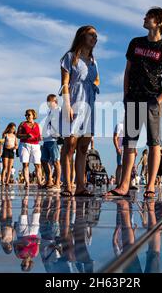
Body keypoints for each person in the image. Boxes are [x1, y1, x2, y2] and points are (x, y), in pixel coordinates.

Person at [106, 7, 162, 199]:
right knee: (129, 143)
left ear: (160, 22)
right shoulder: (135, 43)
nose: (145, 18)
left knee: (154, 143)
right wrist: (125, 95)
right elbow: (127, 71)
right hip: (133, 98)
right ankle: (123, 185)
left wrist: (158, 99)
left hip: (153, 99)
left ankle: (151, 186)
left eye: (150, 16)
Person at [59, 25, 100, 197]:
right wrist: (67, 104)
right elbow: (65, 83)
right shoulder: (70, 57)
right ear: (82, 36)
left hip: (89, 104)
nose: (95, 38)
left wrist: (93, 87)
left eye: (96, 36)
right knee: (70, 145)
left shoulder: (93, 61)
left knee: (83, 146)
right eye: (92, 35)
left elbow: (97, 79)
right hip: (74, 102)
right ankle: (67, 185)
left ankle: (81, 186)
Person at [17, 109, 43, 188]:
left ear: (33, 115)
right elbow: (17, 135)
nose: (27, 116)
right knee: (25, 164)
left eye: (29, 114)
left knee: (38, 164)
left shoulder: (38, 125)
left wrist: (40, 138)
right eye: (26, 115)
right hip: (25, 145)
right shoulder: (22, 124)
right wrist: (26, 136)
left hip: (35, 145)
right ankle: (27, 183)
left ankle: (39, 182)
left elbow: (40, 136)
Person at [41, 94, 62, 189]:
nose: (48, 103)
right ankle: (49, 180)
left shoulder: (59, 110)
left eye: (50, 101)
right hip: (46, 139)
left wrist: (59, 133)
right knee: (44, 161)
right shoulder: (50, 112)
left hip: (54, 140)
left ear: (55, 101)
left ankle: (57, 183)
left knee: (56, 161)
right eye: (47, 102)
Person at [1, 123, 18, 187]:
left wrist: (15, 147)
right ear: (9, 128)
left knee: (10, 168)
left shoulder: (15, 136)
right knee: (5, 166)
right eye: (12, 128)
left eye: (14, 129)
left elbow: (16, 144)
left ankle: (7, 182)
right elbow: (1, 143)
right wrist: (0, 151)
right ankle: (2, 181)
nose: (13, 130)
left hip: (12, 151)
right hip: (6, 150)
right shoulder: (5, 135)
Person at [113, 121, 125, 186]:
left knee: (129, 165)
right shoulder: (119, 125)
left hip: (128, 148)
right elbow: (115, 137)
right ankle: (118, 183)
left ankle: (127, 183)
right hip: (121, 147)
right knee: (120, 165)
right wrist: (117, 148)